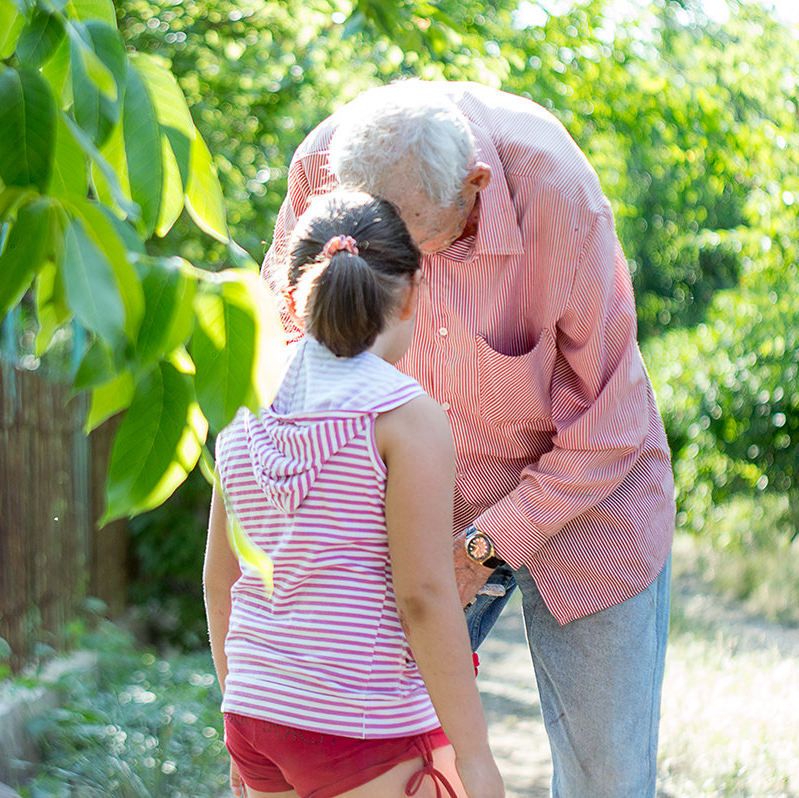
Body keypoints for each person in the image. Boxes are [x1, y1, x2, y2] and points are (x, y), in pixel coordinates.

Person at [261, 80, 676, 798]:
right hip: (416, 511)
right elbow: (291, 354)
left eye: (411, 240)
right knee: (378, 763)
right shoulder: (319, 167)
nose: (394, 267)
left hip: (590, 504)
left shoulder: (557, 190)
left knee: (607, 779)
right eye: (372, 239)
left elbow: (612, 419)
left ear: (473, 187)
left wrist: (487, 545)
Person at [204, 189, 505, 798]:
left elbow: (219, 575)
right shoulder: (402, 415)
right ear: (414, 292)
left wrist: (241, 704)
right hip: (361, 722)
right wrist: (476, 759)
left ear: (294, 293)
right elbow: (422, 595)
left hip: (256, 712)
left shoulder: (243, 392)